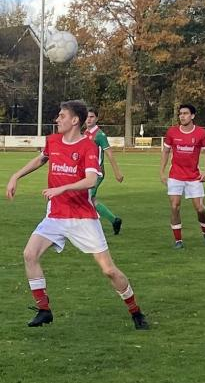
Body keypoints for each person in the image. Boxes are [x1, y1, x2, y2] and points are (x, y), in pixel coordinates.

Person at [5, 100, 149, 330]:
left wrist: (61, 188)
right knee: (30, 254)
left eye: (61, 116)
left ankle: (136, 312)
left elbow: (91, 180)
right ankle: (44, 310)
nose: (57, 119)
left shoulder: (88, 147)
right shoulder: (53, 141)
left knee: (109, 270)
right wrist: (16, 176)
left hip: (82, 218)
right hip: (55, 215)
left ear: (74, 120)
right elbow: (41, 158)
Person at [160, 104, 205, 249]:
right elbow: (165, 152)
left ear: (192, 116)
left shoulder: (201, 133)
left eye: (185, 113)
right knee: (174, 206)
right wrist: (162, 172)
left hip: (194, 177)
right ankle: (178, 240)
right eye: (180, 113)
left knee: (200, 209)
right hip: (175, 175)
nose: (182, 116)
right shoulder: (172, 132)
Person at [85, 107, 124, 235]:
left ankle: (92, 228)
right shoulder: (85, 133)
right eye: (87, 116)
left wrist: (117, 172)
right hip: (87, 172)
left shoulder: (100, 135)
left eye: (91, 117)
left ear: (96, 119)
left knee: (87, 199)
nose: (89, 119)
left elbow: (109, 154)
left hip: (97, 172)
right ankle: (114, 220)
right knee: (91, 199)